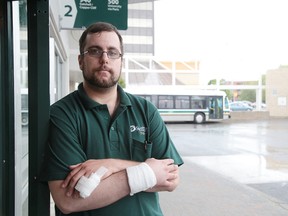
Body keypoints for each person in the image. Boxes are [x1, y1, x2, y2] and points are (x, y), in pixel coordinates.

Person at [41, 22, 183, 216]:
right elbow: (68, 200)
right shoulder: (62, 114)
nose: (104, 59)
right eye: (94, 51)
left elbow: (170, 178)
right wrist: (147, 172)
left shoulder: (146, 111)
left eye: (112, 52)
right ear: (81, 60)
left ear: (121, 61)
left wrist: (112, 165)